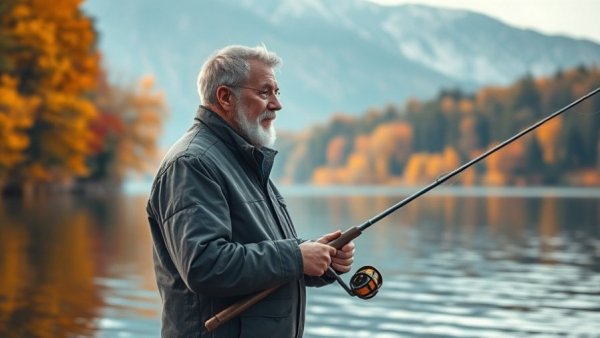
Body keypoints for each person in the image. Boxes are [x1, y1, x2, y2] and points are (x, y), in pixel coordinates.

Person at [146, 44, 356, 337]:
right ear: (225, 97)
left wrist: (319, 259)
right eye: (264, 92)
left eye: (277, 93)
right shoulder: (192, 164)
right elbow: (205, 265)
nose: (276, 104)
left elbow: (262, 255)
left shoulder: (243, 159)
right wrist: (296, 257)